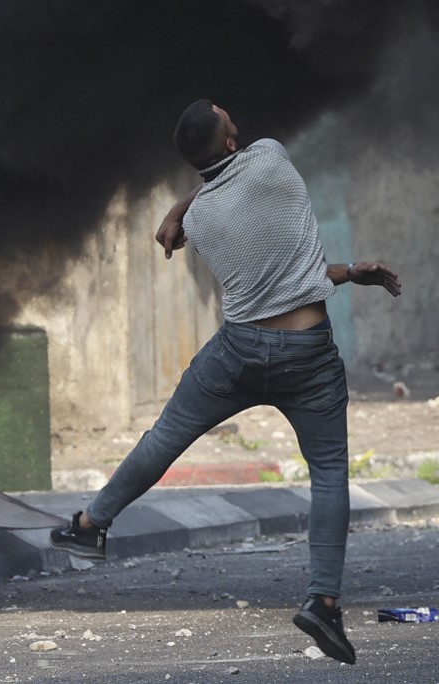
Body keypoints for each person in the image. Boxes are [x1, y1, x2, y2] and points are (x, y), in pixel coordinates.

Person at [49, 99, 402, 666]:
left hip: (238, 352)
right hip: (308, 353)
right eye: (229, 120)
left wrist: (175, 212)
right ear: (235, 143)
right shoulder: (271, 160)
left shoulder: (205, 219)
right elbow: (296, 276)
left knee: (165, 437)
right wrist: (347, 274)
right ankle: (323, 601)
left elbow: (226, 205)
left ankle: (91, 525)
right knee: (331, 472)